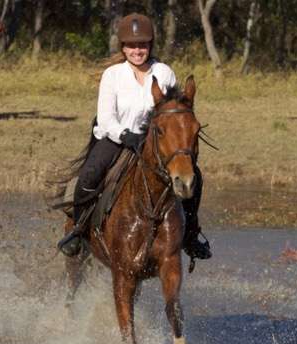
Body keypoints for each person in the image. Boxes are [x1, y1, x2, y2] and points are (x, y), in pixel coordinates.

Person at [58, 12, 212, 261]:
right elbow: (106, 118)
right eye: (132, 45)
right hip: (116, 139)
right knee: (90, 173)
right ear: (123, 46)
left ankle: (191, 235)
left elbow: (172, 112)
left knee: (195, 177)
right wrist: (125, 135)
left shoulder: (164, 72)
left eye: (142, 45)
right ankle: (78, 230)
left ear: (150, 45)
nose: (137, 50)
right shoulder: (113, 75)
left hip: (154, 144)